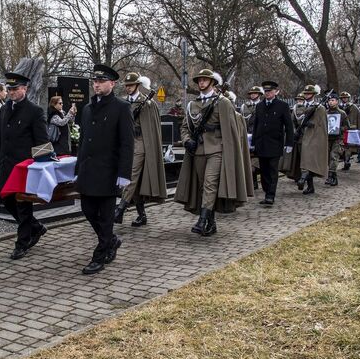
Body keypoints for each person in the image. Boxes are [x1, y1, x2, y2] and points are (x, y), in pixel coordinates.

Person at [175, 69, 252, 232]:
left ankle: (202, 221)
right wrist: (187, 140)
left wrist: (229, 153)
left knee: (210, 183)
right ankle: (211, 223)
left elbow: (232, 129)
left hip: (217, 149)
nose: (201, 82)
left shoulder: (222, 102)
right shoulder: (192, 104)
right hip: (198, 151)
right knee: (204, 186)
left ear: (212, 83)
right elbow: (184, 126)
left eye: (205, 80)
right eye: (199, 80)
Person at [74, 64, 133, 274]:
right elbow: (83, 141)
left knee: (106, 216)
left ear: (112, 84)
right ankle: (111, 241)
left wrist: (124, 173)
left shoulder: (121, 108)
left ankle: (99, 255)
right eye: (95, 81)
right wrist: (77, 167)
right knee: (88, 210)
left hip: (109, 172)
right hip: (88, 170)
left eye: (101, 81)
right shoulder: (88, 109)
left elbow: (127, 143)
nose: (96, 84)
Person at [0, 71, 49, 260]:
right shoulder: (5, 108)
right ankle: (36, 227)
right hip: (7, 165)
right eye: (9, 89)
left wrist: (43, 166)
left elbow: (42, 141)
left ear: (25, 89)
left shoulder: (34, 111)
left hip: (24, 167)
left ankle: (22, 242)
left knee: (22, 205)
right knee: (7, 199)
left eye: (15, 89)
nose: (12, 92)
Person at [114, 72, 166, 227]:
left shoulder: (147, 103)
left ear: (137, 85)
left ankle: (120, 209)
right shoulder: (122, 103)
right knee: (135, 181)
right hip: (127, 143)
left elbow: (151, 128)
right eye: (127, 86)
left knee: (131, 175)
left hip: (141, 142)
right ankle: (142, 215)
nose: (128, 88)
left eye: (131, 85)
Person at [250, 79, 295, 206]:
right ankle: (266, 191)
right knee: (263, 170)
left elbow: (289, 126)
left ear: (276, 92)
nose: (268, 93)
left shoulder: (282, 106)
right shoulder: (259, 106)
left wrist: (289, 143)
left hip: (275, 143)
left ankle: (271, 195)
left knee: (272, 170)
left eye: (270, 91)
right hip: (261, 143)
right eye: (266, 91)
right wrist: (253, 142)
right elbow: (256, 125)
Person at [283, 84, 328, 195]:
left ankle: (303, 179)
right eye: (306, 93)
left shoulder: (320, 108)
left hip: (312, 139)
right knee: (302, 161)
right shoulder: (298, 107)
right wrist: (294, 131)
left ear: (314, 95)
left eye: (309, 93)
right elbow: (293, 121)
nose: (307, 95)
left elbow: (321, 125)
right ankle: (310, 187)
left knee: (308, 161)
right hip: (300, 137)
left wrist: (311, 124)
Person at [240, 86, 263, 189]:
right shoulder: (244, 106)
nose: (252, 95)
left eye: (255, 93)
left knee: (261, 158)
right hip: (248, 135)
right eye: (251, 93)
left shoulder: (263, 105)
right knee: (250, 158)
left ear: (259, 95)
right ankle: (253, 181)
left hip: (260, 135)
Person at [324, 93, 349, 186]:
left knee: (334, 156)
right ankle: (334, 178)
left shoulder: (342, 113)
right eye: (329, 100)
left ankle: (330, 176)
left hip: (338, 139)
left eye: (333, 100)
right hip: (327, 138)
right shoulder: (325, 113)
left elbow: (347, 126)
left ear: (337, 101)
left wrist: (338, 128)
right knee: (327, 158)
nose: (331, 102)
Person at [339, 91, 360, 170]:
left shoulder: (353, 107)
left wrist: (359, 129)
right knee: (341, 146)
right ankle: (345, 160)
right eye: (343, 98)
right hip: (341, 130)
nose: (344, 99)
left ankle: (347, 161)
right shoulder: (339, 107)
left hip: (351, 130)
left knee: (348, 147)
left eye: (345, 98)